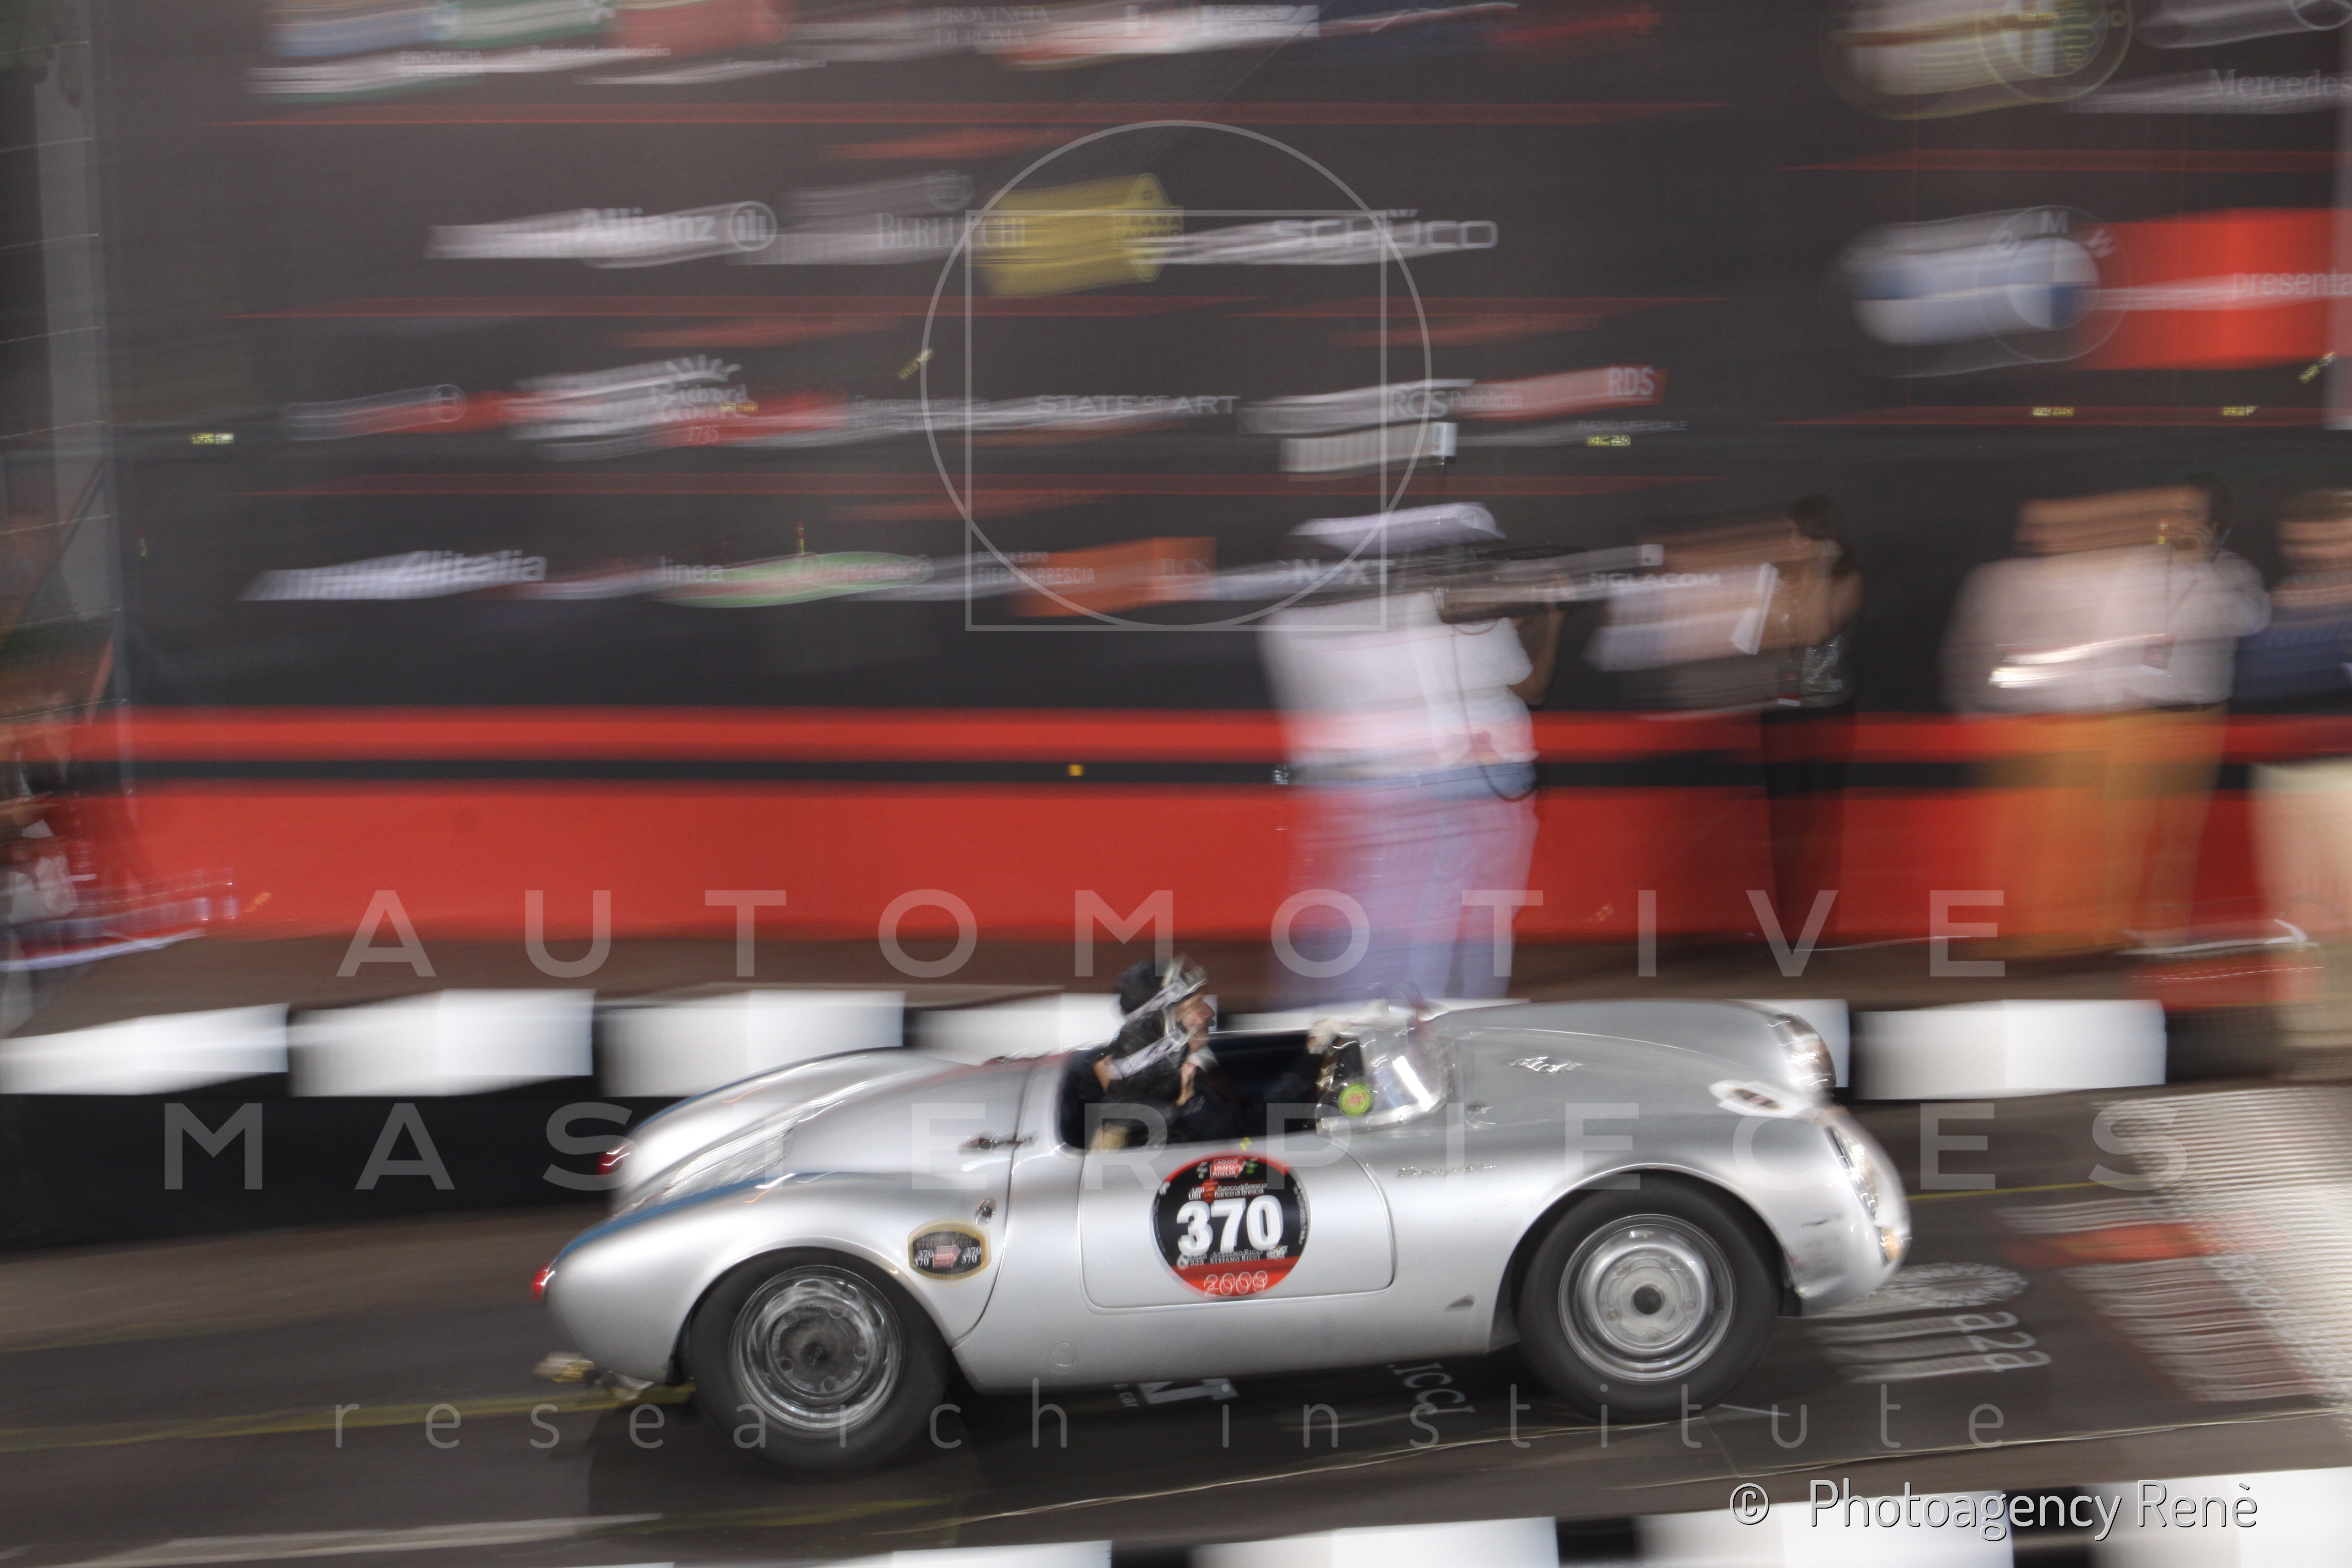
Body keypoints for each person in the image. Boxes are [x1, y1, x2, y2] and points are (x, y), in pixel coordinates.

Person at [1942, 485, 2269, 955]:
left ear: (2211, 523)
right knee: (2122, 832)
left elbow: (2246, 620)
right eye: (2173, 515)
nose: (2178, 524)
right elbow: (2112, 639)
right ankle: (2106, 929)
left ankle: (2162, 927)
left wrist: (2198, 568)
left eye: (2190, 515)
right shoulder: (2138, 567)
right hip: (2135, 716)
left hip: (2198, 716)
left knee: (2178, 831)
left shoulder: (2231, 572)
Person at [1259, 505, 1561, 1003]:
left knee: (1365, 915)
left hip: (1343, 787)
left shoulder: (1285, 625)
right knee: (1444, 916)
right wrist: (1543, 610)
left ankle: (1362, 1014)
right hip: (1420, 782)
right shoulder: (1406, 612)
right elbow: (1526, 681)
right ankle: (1428, 1012)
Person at [1068, 955, 1237, 1147]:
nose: (1209, 1013)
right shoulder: (1132, 1087)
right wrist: (1182, 1106)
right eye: (1195, 1005)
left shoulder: (1182, 1068)